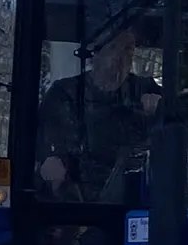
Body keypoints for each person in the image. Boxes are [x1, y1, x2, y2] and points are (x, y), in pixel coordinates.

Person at [36, 26, 163, 201]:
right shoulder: (65, 93)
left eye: (128, 50)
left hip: (138, 197)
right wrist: (51, 163)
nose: (120, 58)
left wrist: (159, 111)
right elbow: (45, 146)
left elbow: (180, 131)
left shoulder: (146, 89)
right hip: (79, 204)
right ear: (95, 52)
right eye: (112, 48)